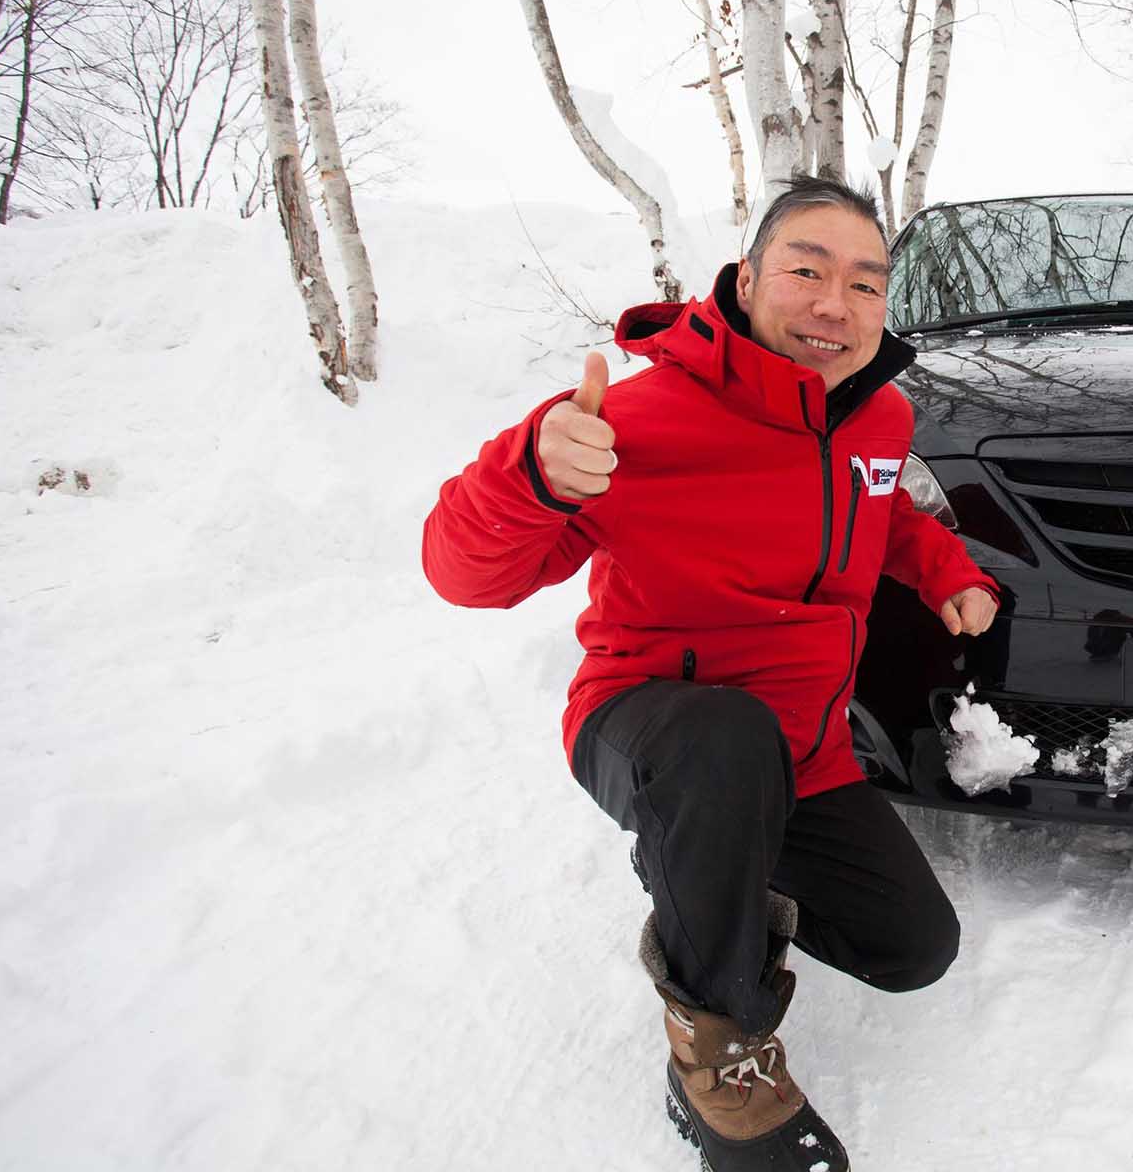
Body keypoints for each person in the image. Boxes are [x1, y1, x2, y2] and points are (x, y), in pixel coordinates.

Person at [422, 176, 1000, 1172]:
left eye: (866, 283)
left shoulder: (878, 421)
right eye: (806, 270)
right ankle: (716, 1053)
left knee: (914, 946)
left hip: (805, 757)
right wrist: (528, 472)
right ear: (743, 278)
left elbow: (882, 510)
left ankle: (717, 869)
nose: (835, 302)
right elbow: (464, 574)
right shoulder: (635, 421)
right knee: (726, 743)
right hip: (649, 724)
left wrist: (945, 565)